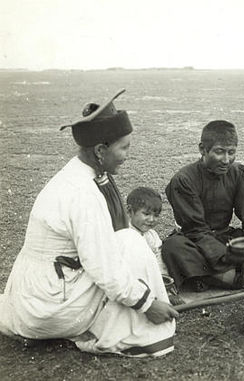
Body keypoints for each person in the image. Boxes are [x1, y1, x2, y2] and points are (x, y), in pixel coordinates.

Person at [0, 90, 178, 357]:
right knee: (130, 242)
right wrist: (147, 304)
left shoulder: (76, 173)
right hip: (50, 305)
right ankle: (144, 321)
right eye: (124, 147)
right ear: (100, 150)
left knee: (124, 242)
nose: (127, 155)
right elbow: (102, 267)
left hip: (36, 295)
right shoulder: (82, 193)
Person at [161, 120, 244, 291]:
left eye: (231, 152)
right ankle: (237, 279)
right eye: (219, 152)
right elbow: (196, 230)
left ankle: (226, 275)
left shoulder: (238, 173)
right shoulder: (183, 181)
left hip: (227, 238)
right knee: (174, 247)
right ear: (202, 149)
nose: (226, 160)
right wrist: (239, 258)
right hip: (198, 241)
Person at [127, 187, 168, 276]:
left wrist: (161, 275)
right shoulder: (125, 234)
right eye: (146, 214)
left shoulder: (152, 235)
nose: (151, 219)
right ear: (130, 211)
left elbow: (159, 257)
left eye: (156, 216)